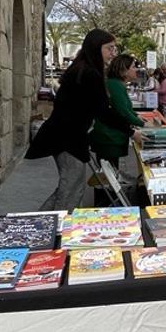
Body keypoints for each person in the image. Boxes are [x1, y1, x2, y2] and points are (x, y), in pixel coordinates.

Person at [26, 29, 141, 210]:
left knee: (70, 188)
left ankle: (41, 225)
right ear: (96, 48)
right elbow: (103, 111)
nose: (113, 53)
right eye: (109, 48)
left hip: (67, 136)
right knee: (71, 190)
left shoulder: (84, 69)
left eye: (114, 49)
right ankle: (52, 229)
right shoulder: (89, 73)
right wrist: (132, 132)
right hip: (66, 138)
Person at [90, 54, 146, 167]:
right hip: (109, 137)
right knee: (109, 172)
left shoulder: (116, 84)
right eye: (133, 67)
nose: (136, 70)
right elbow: (122, 112)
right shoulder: (115, 85)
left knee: (111, 170)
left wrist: (136, 116)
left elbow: (125, 109)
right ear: (124, 70)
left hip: (110, 137)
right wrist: (143, 124)